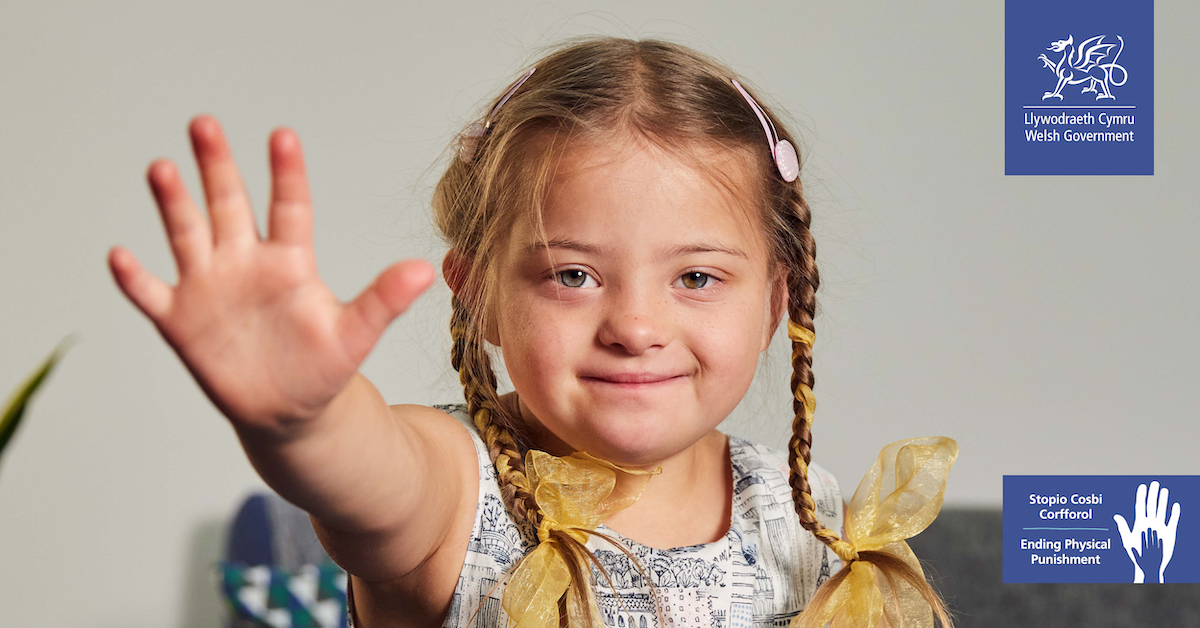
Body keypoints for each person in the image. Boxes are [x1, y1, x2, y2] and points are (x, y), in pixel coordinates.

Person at [108, 36, 955, 628]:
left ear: (776, 305)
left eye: (696, 278)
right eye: (572, 275)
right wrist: (303, 420)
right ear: (479, 296)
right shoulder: (452, 491)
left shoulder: (813, 519)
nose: (635, 326)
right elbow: (369, 475)